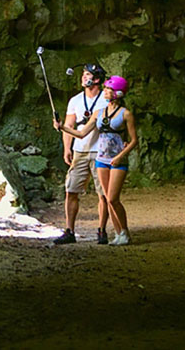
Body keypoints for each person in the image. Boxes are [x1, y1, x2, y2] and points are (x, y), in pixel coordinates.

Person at [58, 75, 138, 245]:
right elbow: (81, 133)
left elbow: (134, 140)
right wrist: (62, 127)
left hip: (116, 160)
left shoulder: (126, 114)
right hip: (101, 158)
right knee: (108, 197)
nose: (106, 92)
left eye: (109, 90)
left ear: (118, 93)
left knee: (111, 198)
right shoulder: (99, 112)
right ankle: (119, 235)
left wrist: (120, 156)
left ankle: (123, 231)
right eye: (106, 89)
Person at [52, 64, 110, 245]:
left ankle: (102, 230)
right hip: (80, 150)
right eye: (83, 75)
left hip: (101, 151)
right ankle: (69, 230)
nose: (83, 78)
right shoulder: (75, 100)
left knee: (104, 193)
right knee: (71, 190)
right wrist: (67, 148)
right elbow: (68, 126)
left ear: (97, 79)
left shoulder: (106, 100)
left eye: (87, 75)